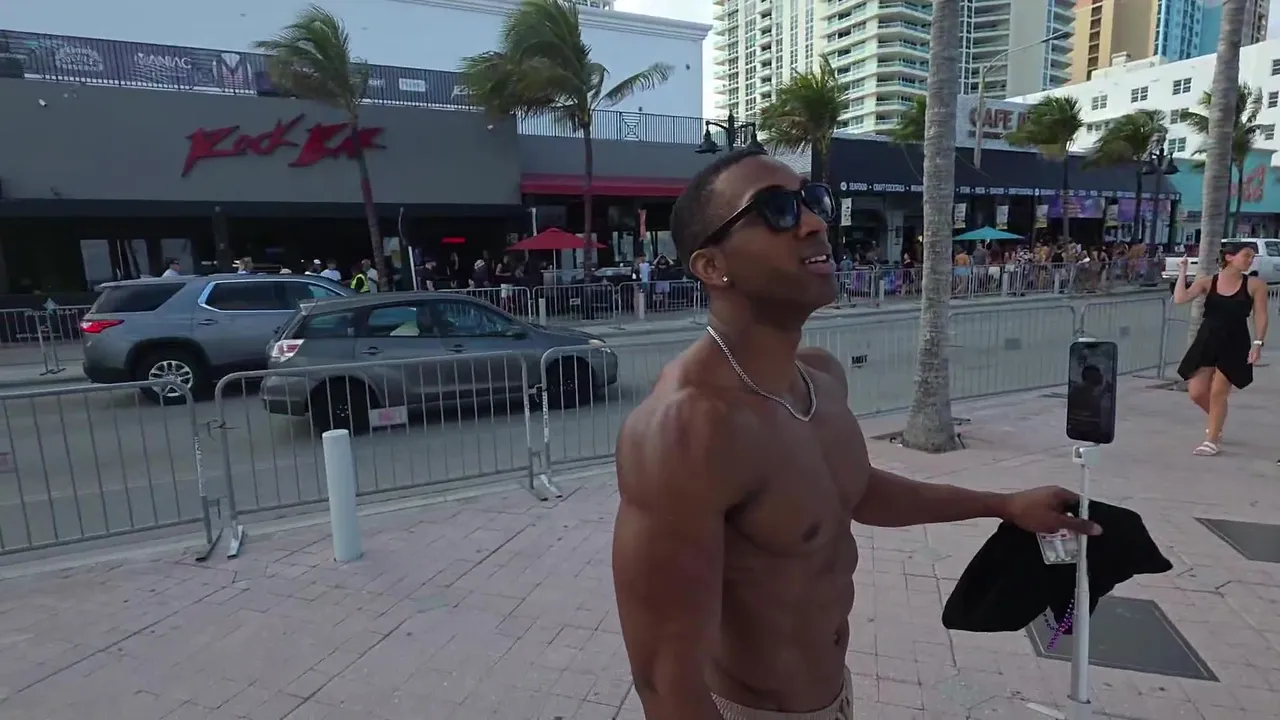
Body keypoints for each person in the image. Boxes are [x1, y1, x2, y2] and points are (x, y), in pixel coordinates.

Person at [612, 148, 1100, 720]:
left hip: (836, 696)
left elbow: (855, 489)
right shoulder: (685, 428)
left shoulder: (819, 377)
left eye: (811, 200)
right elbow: (665, 682)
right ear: (713, 266)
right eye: (776, 210)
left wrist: (1003, 504)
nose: (814, 222)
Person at [1172, 242, 1267, 457]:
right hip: (1207, 339)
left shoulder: (1255, 284)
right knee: (1196, 392)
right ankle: (1217, 421)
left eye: (1252, 257)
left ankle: (1212, 439)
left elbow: (1261, 315)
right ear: (1230, 257)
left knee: (1218, 392)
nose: (1250, 260)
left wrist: (1258, 343)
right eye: (1246, 255)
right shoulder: (1208, 282)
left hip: (1235, 341)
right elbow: (1180, 299)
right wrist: (1183, 271)